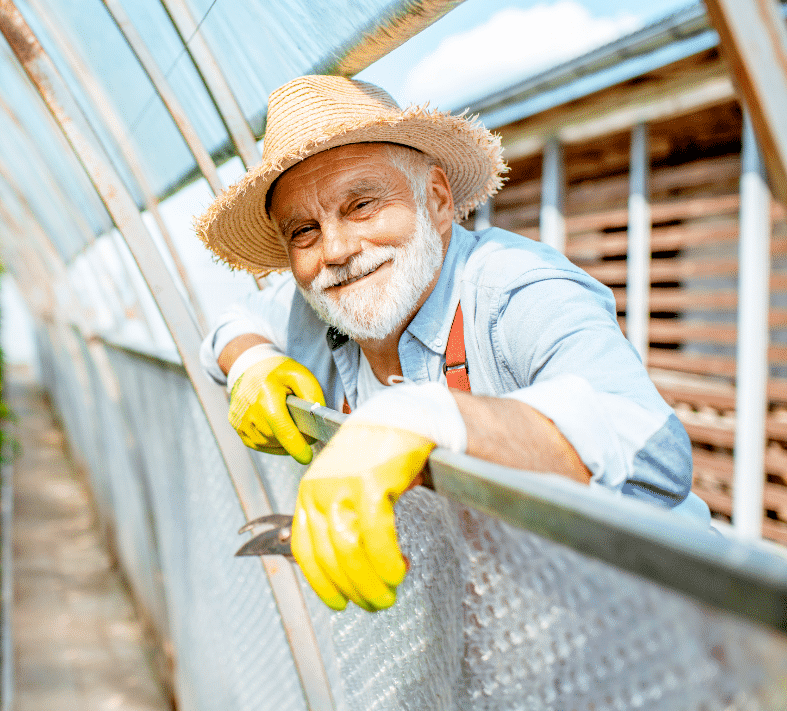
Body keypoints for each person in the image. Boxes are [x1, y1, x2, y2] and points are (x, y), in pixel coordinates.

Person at [194, 75, 708, 614]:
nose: (337, 249)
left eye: (363, 205)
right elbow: (232, 324)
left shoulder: (518, 288)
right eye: (304, 231)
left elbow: (651, 449)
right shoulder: (313, 298)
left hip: (662, 637)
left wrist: (424, 416)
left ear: (437, 201)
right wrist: (251, 360)